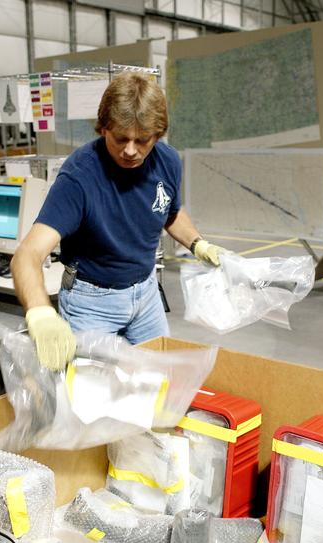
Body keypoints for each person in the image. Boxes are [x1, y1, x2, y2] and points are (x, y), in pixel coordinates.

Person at [11, 72, 225, 371]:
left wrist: (197, 243)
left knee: (157, 383)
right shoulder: (80, 177)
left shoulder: (168, 161)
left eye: (142, 140)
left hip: (146, 294)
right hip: (92, 301)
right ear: (103, 129)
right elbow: (27, 255)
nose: (130, 150)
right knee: (94, 402)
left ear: (158, 135)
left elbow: (170, 212)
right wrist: (40, 313)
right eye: (121, 138)